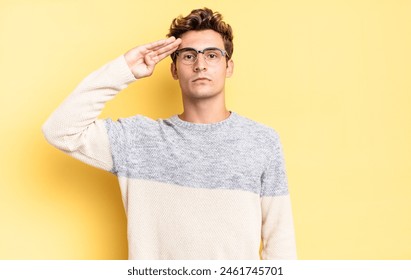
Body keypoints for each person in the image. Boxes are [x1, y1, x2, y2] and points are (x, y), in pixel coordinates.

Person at [42, 7, 297, 260]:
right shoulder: (138, 140)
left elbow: (280, 245)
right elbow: (60, 131)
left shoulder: (262, 141)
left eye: (212, 55)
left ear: (228, 66)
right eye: (188, 56)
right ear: (174, 69)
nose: (200, 65)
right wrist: (123, 69)